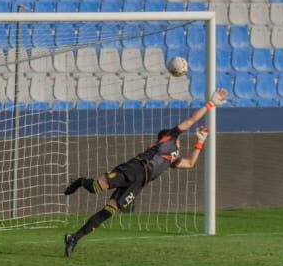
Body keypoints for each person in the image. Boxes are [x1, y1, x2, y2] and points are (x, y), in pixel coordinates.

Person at [62, 88, 228, 257]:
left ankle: (74, 238)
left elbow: (190, 163)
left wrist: (199, 142)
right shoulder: (169, 138)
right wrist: (210, 104)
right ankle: (81, 181)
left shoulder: (173, 158)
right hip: (134, 168)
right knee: (95, 188)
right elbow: (191, 120)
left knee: (110, 210)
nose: (179, 139)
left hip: (139, 183)